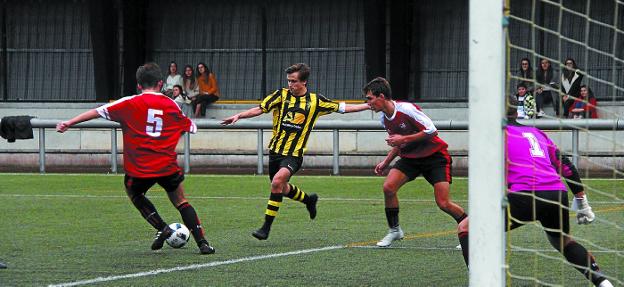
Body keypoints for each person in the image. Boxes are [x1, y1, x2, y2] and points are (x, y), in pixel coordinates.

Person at [56, 62, 215, 255]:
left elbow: (97, 111)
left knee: (135, 194)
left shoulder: (129, 103)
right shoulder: (170, 104)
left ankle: (162, 227)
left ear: (139, 85)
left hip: (139, 167)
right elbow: (190, 127)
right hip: (166, 164)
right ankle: (203, 243)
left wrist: (69, 122)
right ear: (161, 83)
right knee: (181, 201)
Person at [460, 107, 613, 287]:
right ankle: (603, 283)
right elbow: (566, 166)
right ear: (516, 113)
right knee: (564, 242)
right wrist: (583, 202)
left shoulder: (495, 135)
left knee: (467, 228)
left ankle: (480, 281)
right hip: (556, 194)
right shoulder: (536, 132)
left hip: (525, 196)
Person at [221, 63, 369, 240]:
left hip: (294, 154)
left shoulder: (316, 101)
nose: (290, 85)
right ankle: (309, 200)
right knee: (281, 188)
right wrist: (239, 115)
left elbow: (343, 108)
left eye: (294, 81)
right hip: (275, 152)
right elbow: (260, 108)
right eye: (288, 81)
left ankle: (265, 228)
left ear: (304, 82)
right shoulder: (280, 95)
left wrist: (368, 106)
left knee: (276, 182)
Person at [363, 77, 468, 264]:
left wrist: (403, 140)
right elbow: (397, 141)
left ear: (381, 96)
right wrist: (386, 162)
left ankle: (470, 229)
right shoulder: (383, 119)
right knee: (388, 188)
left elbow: (431, 130)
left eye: (370, 99)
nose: (368, 103)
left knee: (443, 203)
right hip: (411, 159)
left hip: (435, 157)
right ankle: (394, 230)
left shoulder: (406, 109)